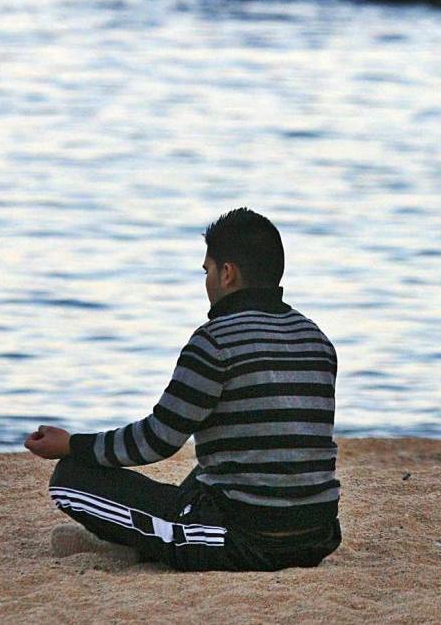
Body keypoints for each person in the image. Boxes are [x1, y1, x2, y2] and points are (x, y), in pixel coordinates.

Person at [24, 208, 341, 571]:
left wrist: (73, 444)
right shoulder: (316, 339)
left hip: (244, 539)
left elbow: (156, 440)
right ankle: (144, 539)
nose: (206, 282)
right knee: (210, 471)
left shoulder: (214, 342)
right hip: (317, 535)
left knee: (69, 480)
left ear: (227, 273)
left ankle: (137, 543)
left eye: (207, 271)